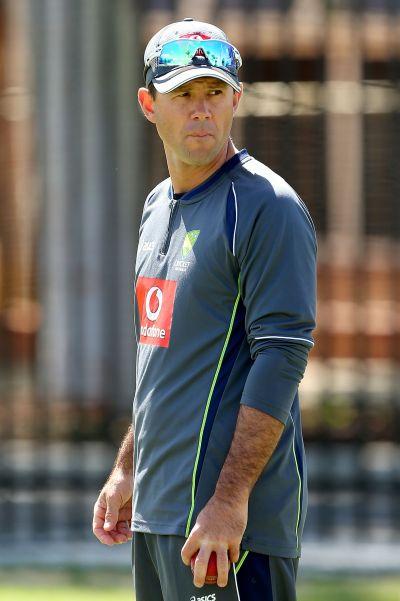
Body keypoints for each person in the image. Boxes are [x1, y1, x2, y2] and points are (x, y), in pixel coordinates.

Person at [92, 17, 317, 601]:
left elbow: (282, 357)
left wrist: (228, 502)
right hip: (158, 517)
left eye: (215, 93)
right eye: (184, 94)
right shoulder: (156, 207)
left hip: (225, 531)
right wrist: (126, 468)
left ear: (236, 99)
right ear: (149, 104)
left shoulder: (268, 206)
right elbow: (163, 356)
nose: (201, 110)